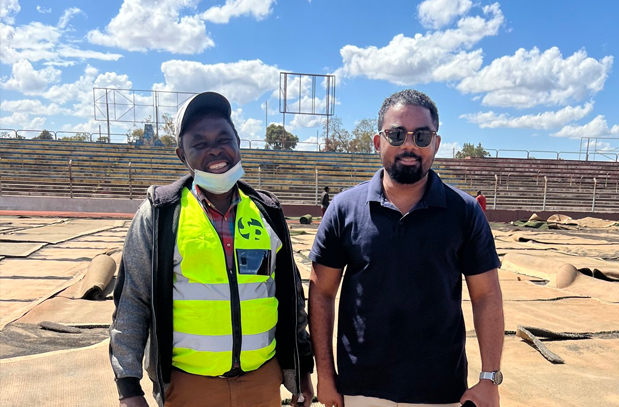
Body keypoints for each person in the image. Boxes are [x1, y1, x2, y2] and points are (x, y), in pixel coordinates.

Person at [110, 92, 314, 407]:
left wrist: (301, 370)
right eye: (200, 143)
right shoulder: (161, 214)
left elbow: (291, 298)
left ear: (238, 142)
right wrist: (128, 387)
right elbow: (132, 301)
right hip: (190, 386)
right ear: (182, 154)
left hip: (261, 381)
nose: (215, 150)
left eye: (223, 139)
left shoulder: (267, 212)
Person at [308, 89, 504, 407]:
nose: (409, 145)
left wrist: (489, 378)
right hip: (360, 391)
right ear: (378, 142)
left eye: (421, 136)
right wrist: (326, 376)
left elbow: (486, 296)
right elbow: (321, 293)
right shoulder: (344, 209)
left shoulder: (465, 212)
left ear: (436, 144)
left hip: (440, 392)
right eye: (397, 135)